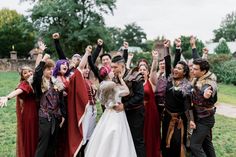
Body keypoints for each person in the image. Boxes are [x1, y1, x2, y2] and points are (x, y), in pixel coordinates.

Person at [85, 65, 137, 157]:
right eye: (111, 70)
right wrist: (121, 79)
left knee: (104, 134)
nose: (113, 71)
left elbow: (102, 100)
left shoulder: (102, 85)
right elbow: (127, 91)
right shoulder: (112, 85)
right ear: (109, 74)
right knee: (117, 134)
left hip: (108, 112)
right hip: (117, 112)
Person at [160, 38, 194, 157]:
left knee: (177, 143)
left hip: (179, 120)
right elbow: (169, 62)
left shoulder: (187, 86)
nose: (175, 70)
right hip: (167, 117)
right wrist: (166, 48)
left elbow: (188, 105)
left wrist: (191, 120)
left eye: (179, 69)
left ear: (184, 73)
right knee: (165, 141)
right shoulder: (170, 79)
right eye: (176, 68)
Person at [111, 55, 145, 157]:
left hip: (136, 113)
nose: (112, 70)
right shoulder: (114, 78)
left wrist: (125, 106)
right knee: (123, 140)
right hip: (121, 115)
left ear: (122, 66)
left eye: (115, 67)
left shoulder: (135, 75)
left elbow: (140, 96)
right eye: (111, 67)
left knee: (136, 140)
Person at [0, 66, 38, 157]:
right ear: (23, 77)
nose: (28, 73)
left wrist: (40, 52)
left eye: (29, 71)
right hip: (30, 114)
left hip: (38, 111)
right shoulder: (25, 84)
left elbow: (38, 66)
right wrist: (7, 97)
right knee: (31, 136)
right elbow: (19, 90)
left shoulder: (35, 80)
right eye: (25, 73)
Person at [33, 54, 65, 157]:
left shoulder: (55, 83)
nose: (50, 71)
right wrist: (43, 60)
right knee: (43, 144)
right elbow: (37, 75)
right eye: (48, 69)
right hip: (45, 117)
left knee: (52, 145)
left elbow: (60, 100)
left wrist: (63, 115)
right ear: (43, 70)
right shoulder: (40, 84)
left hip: (56, 117)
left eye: (52, 69)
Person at [190, 58, 217, 157]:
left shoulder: (209, 81)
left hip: (205, 120)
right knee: (207, 145)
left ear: (203, 71)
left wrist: (206, 93)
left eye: (195, 69)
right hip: (201, 118)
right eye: (193, 68)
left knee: (194, 145)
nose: (193, 70)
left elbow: (209, 87)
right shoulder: (197, 78)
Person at [138, 62, 161, 157]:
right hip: (140, 112)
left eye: (144, 70)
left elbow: (154, 70)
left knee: (151, 133)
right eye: (140, 70)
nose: (142, 71)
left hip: (151, 112)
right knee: (141, 134)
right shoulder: (136, 83)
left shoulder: (151, 82)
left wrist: (155, 60)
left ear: (147, 72)